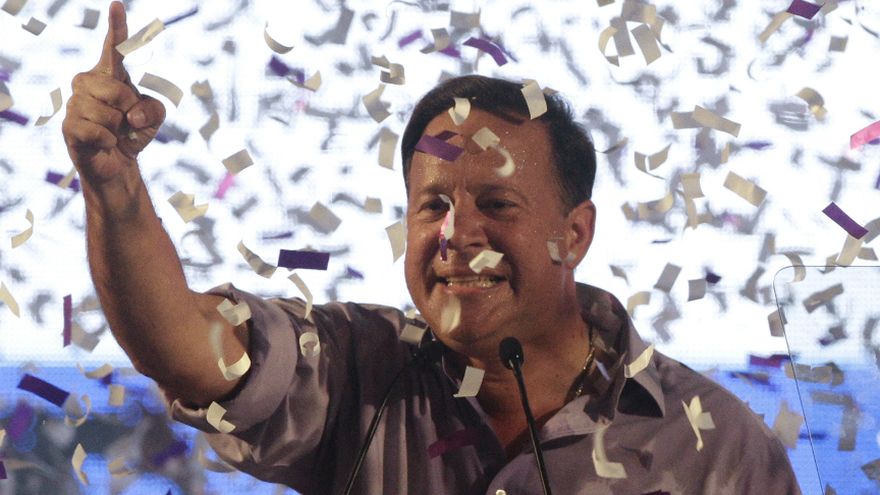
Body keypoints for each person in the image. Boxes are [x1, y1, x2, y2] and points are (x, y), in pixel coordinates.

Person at [62, 3, 802, 494]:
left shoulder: (716, 447)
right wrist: (113, 185)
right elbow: (188, 348)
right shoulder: (356, 370)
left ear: (575, 233)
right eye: (433, 205)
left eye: (497, 204)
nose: (456, 235)